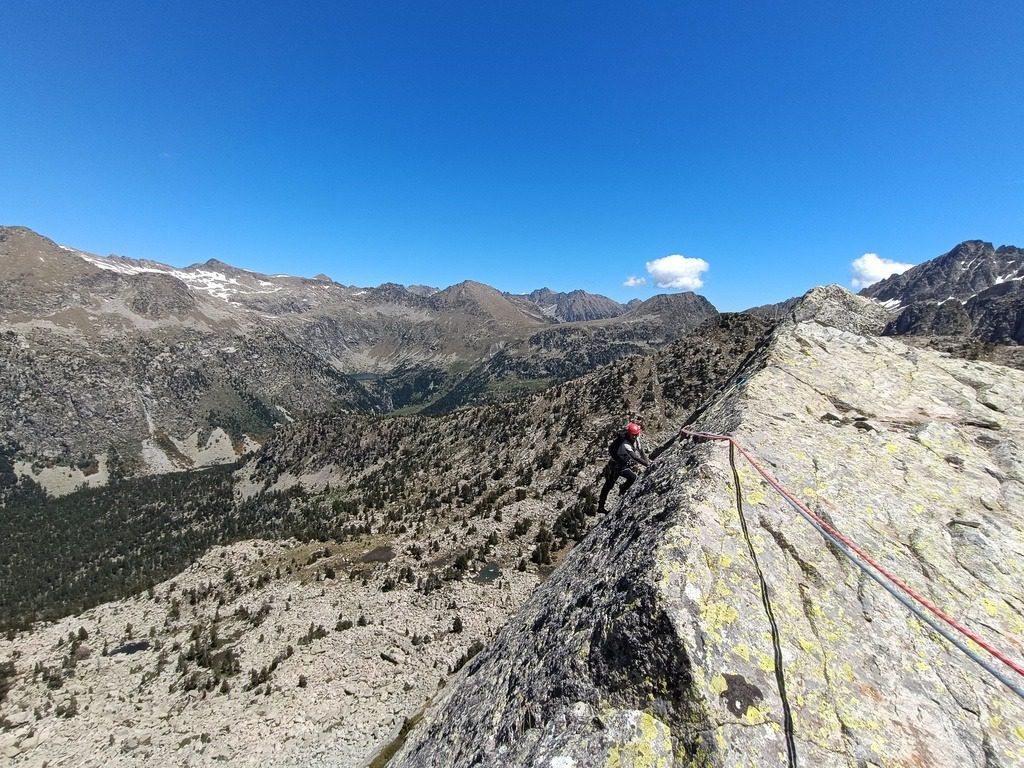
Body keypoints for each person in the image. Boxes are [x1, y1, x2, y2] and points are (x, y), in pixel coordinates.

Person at [597, 422, 654, 514]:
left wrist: (647, 462)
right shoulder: (625, 444)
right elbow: (634, 457)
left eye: (636, 434)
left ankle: (622, 489)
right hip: (614, 465)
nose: (635, 437)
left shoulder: (636, 439)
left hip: (622, 464)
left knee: (633, 478)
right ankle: (601, 507)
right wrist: (648, 465)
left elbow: (641, 452)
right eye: (633, 435)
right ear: (629, 434)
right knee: (609, 485)